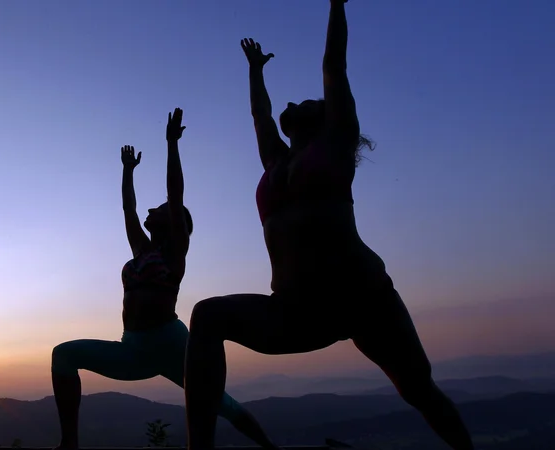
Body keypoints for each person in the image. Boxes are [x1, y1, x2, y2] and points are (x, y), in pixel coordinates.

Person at [182, 2, 475, 450]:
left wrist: (337, 5)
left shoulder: (335, 146)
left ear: (322, 116)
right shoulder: (276, 161)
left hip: (363, 298)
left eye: (305, 101)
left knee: (419, 391)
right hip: (298, 311)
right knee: (207, 315)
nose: (293, 102)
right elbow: (260, 116)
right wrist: (256, 71)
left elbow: (333, 65)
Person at [50, 108, 278, 450]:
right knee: (63, 355)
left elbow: (175, 194)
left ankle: (272, 449)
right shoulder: (141, 250)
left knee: (222, 404)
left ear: (173, 221)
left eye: (158, 209)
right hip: (134, 347)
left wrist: (172, 144)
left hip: (173, 344)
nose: (149, 212)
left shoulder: (174, 252)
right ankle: (69, 444)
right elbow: (128, 209)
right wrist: (127, 172)